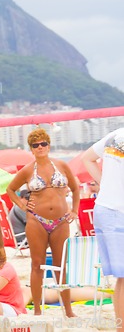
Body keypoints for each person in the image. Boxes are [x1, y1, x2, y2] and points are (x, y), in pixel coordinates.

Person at [6, 129, 79, 317]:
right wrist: (21, 203)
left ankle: (68, 310)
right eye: (35, 145)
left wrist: (75, 211)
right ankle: (37, 310)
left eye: (43, 144)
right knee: (36, 264)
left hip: (61, 221)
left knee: (61, 265)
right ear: (31, 149)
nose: (40, 147)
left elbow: (75, 188)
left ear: (49, 145)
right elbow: (10, 189)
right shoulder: (28, 170)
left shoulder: (62, 165)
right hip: (36, 220)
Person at [82, 128, 124, 330]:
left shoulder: (115, 134)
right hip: (118, 211)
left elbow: (87, 158)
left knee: (122, 278)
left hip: (105, 209)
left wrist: (104, 184)